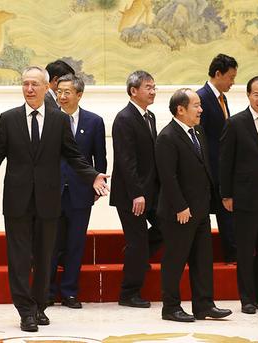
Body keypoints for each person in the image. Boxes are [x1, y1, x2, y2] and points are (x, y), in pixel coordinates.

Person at [0, 66, 109, 332]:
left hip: (48, 199)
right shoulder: (8, 118)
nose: (29, 89)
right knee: (20, 257)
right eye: (25, 84)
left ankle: (38, 306)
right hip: (17, 199)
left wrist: (92, 176)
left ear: (47, 87)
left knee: (45, 257)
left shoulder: (58, 120)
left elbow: (73, 155)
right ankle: (25, 310)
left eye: (35, 84)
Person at [156, 88, 232, 322]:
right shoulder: (167, 136)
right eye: (196, 105)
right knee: (175, 261)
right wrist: (180, 206)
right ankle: (170, 307)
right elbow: (168, 177)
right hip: (178, 212)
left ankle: (204, 305)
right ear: (180, 109)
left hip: (200, 209)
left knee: (202, 260)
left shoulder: (197, 132)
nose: (201, 109)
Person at [48, 74, 106, 308]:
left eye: (67, 92)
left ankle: (70, 292)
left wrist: (97, 187)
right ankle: (48, 291)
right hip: (52, 192)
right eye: (59, 92)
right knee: (50, 244)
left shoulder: (94, 122)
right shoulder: (49, 119)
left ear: (79, 95)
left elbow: (99, 160)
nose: (62, 96)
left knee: (75, 244)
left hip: (80, 193)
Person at [219, 76, 258, 314]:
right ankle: (247, 299)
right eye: (257, 94)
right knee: (245, 248)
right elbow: (225, 162)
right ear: (248, 95)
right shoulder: (236, 123)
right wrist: (226, 195)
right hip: (244, 197)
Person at [110, 70, 162, 308]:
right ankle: (128, 293)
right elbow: (126, 160)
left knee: (165, 227)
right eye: (148, 87)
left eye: (154, 87)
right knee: (138, 243)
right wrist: (137, 193)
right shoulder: (124, 118)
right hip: (131, 195)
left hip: (150, 192)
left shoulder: (148, 117)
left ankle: (136, 257)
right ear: (133, 91)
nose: (153, 91)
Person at [197, 54, 238, 264]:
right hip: (209, 169)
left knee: (227, 211)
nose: (233, 82)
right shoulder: (200, 98)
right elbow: (200, 136)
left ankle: (233, 254)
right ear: (218, 74)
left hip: (223, 168)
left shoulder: (222, 98)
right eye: (230, 77)